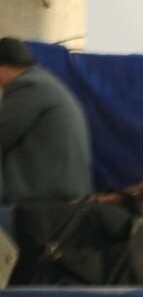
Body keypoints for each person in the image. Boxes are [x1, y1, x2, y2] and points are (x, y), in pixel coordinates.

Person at [0, 36, 94, 205]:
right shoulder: (43, 81)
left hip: (43, 200)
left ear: (4, 67)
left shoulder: (28, 86)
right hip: (64, 194)